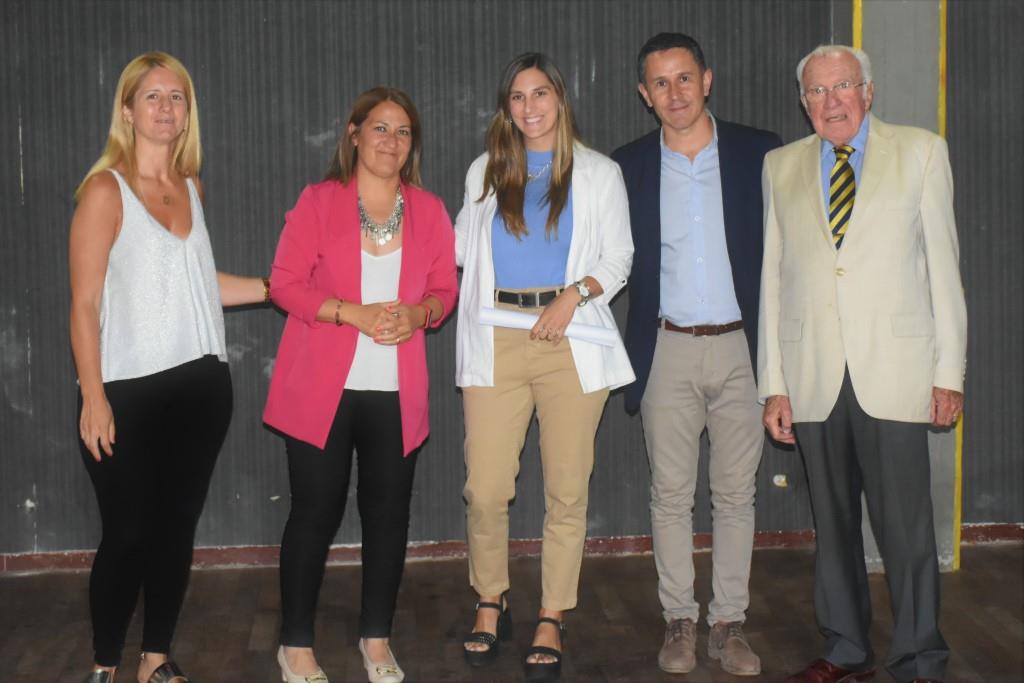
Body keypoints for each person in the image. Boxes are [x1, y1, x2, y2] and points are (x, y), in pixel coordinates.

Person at [759, 45, 967, 683]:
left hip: (897, 371)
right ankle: (846, 647)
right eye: (817, 92)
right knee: (834, 526)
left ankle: (918, 658)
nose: (831, 102)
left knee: (906, 530)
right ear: (804, 103)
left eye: (842, 86)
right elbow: (774, 276)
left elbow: (944, 271)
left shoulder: (922, 152)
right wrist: (774, 384)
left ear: (868, 92)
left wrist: (948, 374)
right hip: (814, 373)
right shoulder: (780, 165)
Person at [69, 51, 269, 683]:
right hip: (125, 391)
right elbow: (84, 302)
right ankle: (104, 662)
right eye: (151, 96)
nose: (165, 107)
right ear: (127, 110)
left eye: (176, 97)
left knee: (176, 528)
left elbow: (197, 284)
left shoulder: (191, 188)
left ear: (188, 114)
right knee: (127, 534)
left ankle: (155, 658)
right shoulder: (105, 189)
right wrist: (94, 397)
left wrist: (273, 288)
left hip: (201, 386)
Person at [263, 87, 457, 683]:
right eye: (379, 128)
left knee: (388, 517)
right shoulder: (320, 201)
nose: (391, 141)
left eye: (402, 132)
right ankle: (295, 644)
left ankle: (376, 640)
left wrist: (418, 314)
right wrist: (353, 312)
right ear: (353, 134)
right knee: (314, 514)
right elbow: (283, 284)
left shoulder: (429, 209)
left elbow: (444, 293)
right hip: (321, 389)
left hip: (397, 393)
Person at [454, 52, 634, 681]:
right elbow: (457, 252)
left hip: (570, 338)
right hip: (495, 339)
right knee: (487, 486)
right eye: (517, 98)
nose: (529, 108)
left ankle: (553, 612)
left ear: (560, 97)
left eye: (540, 94)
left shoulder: (599, 172)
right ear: (507, 107)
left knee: (566, 488)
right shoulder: (484, 171)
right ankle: (490, 597)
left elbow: (619, 258)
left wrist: (573, 293)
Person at [611, 32, 782, 677]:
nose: (674, 93)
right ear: (643, 94)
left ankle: (729, 624)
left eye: (685, 78)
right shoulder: (626, 166)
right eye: (660, 82)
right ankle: (679, 618)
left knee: (737, 494)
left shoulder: (759, 152)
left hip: (743, 347)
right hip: (667, 348)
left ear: (707, 80)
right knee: (670, 495)